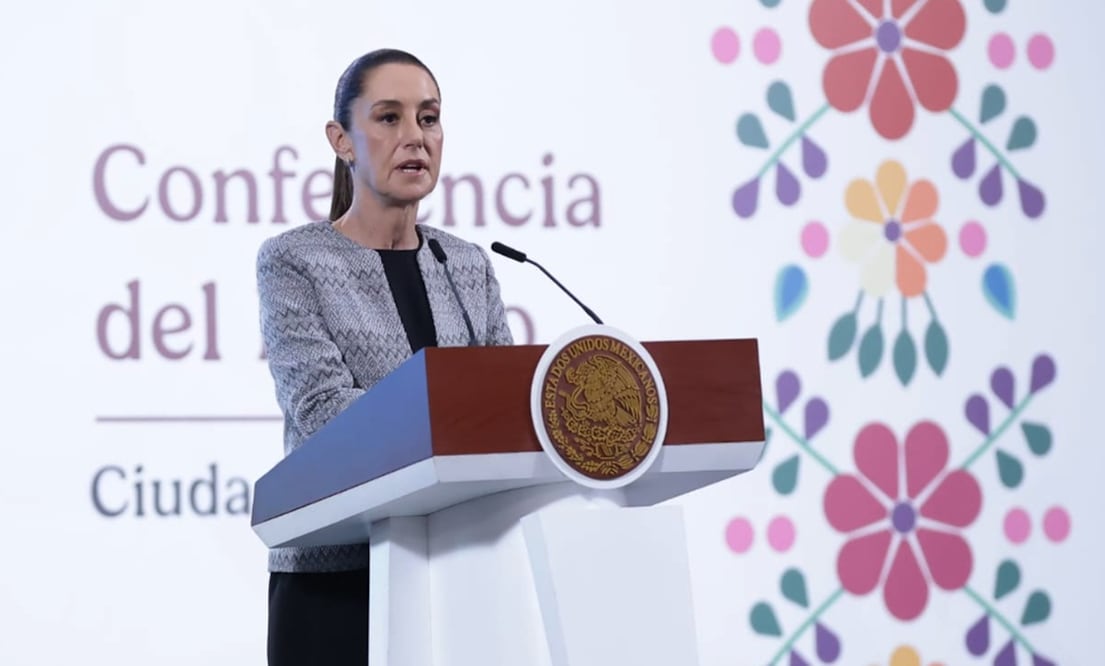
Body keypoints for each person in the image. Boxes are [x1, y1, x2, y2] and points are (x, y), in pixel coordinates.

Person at [255, 48, 514, 665]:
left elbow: (507, 408)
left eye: (429, 118)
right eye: (389, 118)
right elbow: (322, 412)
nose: (415, 137)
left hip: (456, 570)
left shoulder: (467, 264)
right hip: (337, 579)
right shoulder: (294, 260)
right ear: (341, 140)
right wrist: (459, 419)